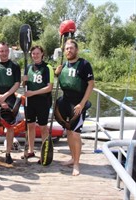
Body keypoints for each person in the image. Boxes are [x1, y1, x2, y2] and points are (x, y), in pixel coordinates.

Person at [55, 39, 94, 176]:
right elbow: (64, 80)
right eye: (66, 48)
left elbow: (91, 84)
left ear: (76, 50)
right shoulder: (64, 65)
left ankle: (77, 164)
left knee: (76, 134)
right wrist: (56, 74)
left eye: (71, 48)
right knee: (69, 131)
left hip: (78, 104)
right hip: (66, 102)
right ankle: (72, 158)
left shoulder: (84, 64)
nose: (69, 50)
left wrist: (82, 104)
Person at [21, 45, 53, 161]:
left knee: (43, 127)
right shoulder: (28, 67)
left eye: (37, 53)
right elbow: (24, 86)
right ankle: (31, 150)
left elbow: (49, 88)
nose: (35, 55)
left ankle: (44, 153)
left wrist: (33, 93)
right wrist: (23, 82)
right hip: (30, 102)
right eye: (33, 53)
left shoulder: (48, 67)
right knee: (30, 126)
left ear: (42, 54)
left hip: (43, 101)